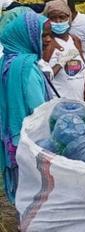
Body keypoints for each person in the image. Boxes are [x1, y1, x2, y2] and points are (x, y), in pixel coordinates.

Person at [0, 10, 51, 204]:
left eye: (49, 35)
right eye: (42, 35)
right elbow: (40, 111)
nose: (47, 40)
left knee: (24, 192)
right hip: (31, 141)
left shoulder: (6, 61)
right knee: (37, 195)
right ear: (27, 36)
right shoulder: (26, 68)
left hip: (12, 140)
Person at [44, 0, 85, 101]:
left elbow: (79, 70)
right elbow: (43, 78)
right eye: (53, 18)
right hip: (56, 106)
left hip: (78, 102)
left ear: (69, 18)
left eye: (62, 17)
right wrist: (62, 61)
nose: (58, 21)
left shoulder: (75, 41)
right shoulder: (46, 44)